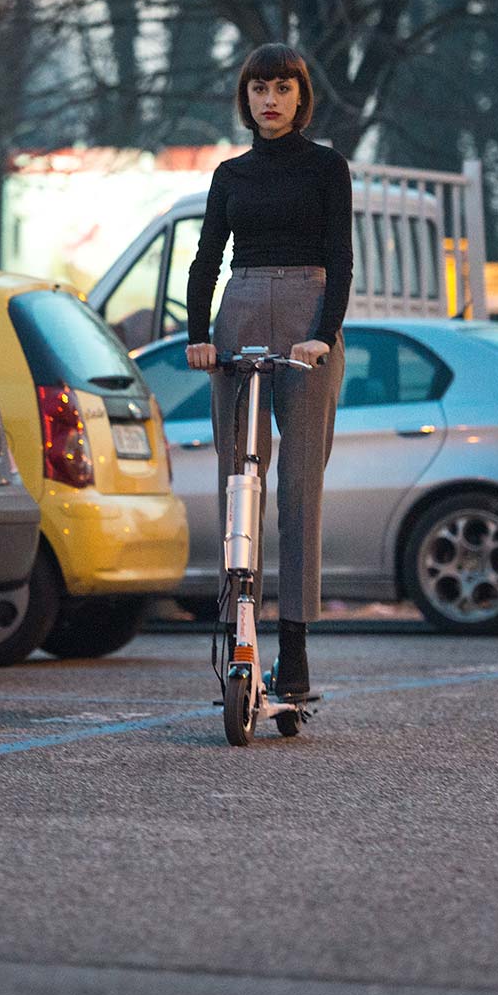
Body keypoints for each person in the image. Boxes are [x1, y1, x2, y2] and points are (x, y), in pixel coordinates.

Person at [183, 43, 351, 702]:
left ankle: (297, 650)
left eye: (282, 87)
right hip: (241, 307)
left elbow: (340, 258)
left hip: (308, 313)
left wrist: (322, 334)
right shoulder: (230, 173)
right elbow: (205, 259)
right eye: (259, 88)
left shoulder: (325, 167)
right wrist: (199, 336)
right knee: (237, 477)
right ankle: (238, 629)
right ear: (246, 97)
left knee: (299, 486)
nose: (270, 99)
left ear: (301, 96)